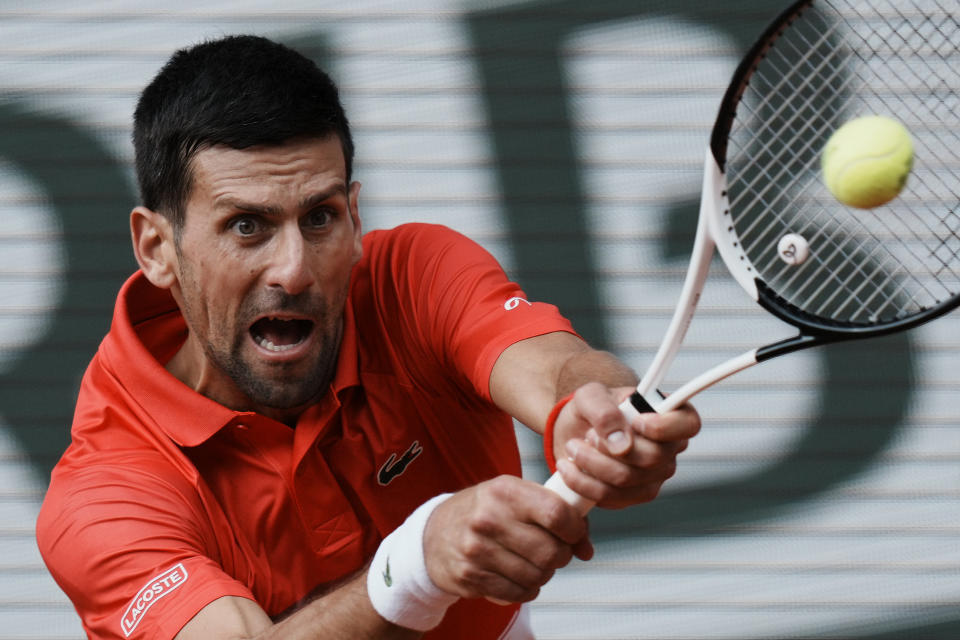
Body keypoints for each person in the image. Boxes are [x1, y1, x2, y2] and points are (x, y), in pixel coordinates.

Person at [36, 35, 700, 640]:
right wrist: (416, 563)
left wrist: (598, 413)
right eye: (247, 227)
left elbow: (558, 372)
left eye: (320, 217)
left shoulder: (412, 276)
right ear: (157, 248)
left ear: (355, 219)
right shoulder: (104, 495)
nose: (293, 270)